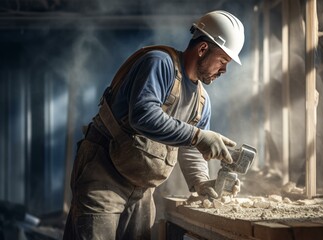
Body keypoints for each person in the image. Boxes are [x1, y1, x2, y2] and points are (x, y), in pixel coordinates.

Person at [63, 10, 245, 240]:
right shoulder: (159, 63)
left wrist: (200, 182)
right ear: (202, 49)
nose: (224, 70)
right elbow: (143, 115)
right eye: (223, 60)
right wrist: (199, 136)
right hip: (104, 176)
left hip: (141, 189)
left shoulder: (202, 100)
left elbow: (190, 147)